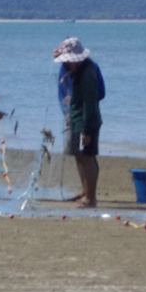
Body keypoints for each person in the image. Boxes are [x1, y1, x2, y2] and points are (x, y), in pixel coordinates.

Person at [53, 37, 102, 208]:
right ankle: (85, 193)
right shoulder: (75, 70)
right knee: (80, 157)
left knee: (87, 157)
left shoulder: (88, 72)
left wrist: (86, 131)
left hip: (85, 120)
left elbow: (90, 102)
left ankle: (90, 198)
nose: (67, 64)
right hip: (76, 119)